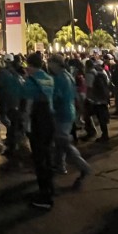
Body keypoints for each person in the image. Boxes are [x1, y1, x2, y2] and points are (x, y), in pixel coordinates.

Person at [48, 55, 91, 188]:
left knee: (64, 142)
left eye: (50, 63)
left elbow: (57, 96)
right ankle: (60, 165)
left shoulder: (60, 78)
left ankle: (83, 166)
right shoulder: (67, 75)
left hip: (62, 112)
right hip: (69, 110)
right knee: (59, 140)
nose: (49, 66)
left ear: (55, 64)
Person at [21, 53, 56, 209]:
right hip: (49, 119)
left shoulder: (30, 82)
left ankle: (45, 196)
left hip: (37, 121)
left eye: (27, 65)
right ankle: (50, 187)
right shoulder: (49, 78)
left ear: (31, 65)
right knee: (47, 155)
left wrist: (25, 125)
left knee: (39, 158)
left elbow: (28, 107)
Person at [83, 59, 112, 142]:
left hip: (95, 99)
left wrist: (88, 98)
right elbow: (107, 82)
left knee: (90, 116)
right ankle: (104, 134)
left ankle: (96, 133)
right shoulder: (99, 72)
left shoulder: (89, 74)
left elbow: (89, 88)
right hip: (103, 98)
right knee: (102, 117)